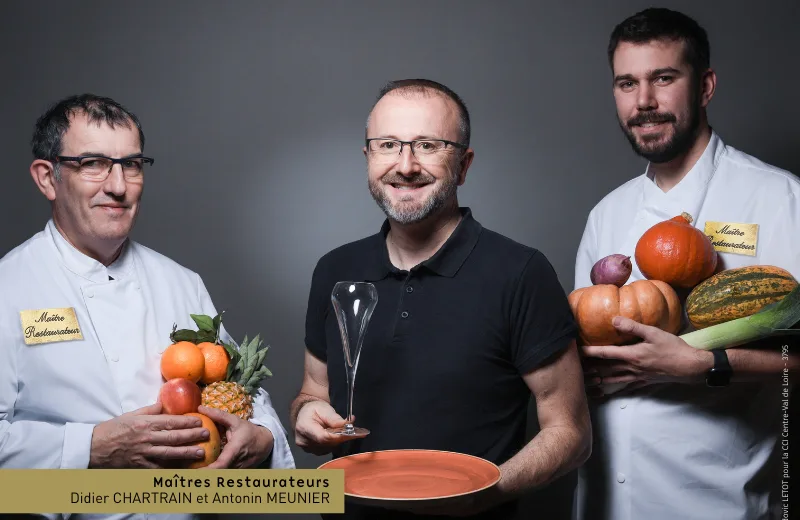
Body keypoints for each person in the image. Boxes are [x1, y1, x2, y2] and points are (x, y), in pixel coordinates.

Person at [291, 78, 592, 519]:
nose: (405, 165)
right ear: (368, 158)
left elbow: (570, 432)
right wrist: (307, 413)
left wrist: (479, 497)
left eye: (428, 145)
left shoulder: (521, 273)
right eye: (388, 145)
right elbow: (312, 390)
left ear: (464, 165)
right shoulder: (335, 270)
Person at [0, 94, 295, 513]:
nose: (118, 186)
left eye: (131, 165)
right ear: (47, 178)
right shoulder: (8, 287)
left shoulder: (181, 283)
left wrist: (263, 436)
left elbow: (239, 391)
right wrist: (93, 447)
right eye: (93, 164)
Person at [573, 8, 800, 520]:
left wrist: (707, 366)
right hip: (605, 502)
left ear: (706, 86)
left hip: (719, 502)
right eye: (627, 83)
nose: (644, 102)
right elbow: (587, 354)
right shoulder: (606, 214)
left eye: (664, 78)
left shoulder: (779, 198)